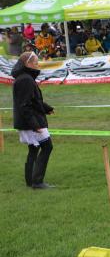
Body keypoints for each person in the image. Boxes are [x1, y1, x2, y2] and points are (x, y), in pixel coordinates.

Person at [12, 51, 55, 189]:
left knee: (34, 148)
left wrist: (47, 108)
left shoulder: (25, 78)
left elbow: (35, 100)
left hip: (29, 121)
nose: (38, 65)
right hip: (31, 122)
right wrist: (35, 125)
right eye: (36, 62)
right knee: (47, 146)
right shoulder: (26, 79)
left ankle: (31, 180)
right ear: (27, 64)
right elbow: (25, 105)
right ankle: (37, 181)